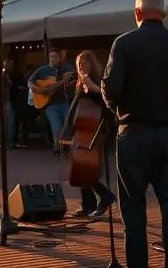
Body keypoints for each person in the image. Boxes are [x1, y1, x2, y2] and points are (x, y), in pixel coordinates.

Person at [103, 0, 168, 268]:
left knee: (134, 210)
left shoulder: (124, 44)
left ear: (137, 13)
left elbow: (112, 90)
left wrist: (115, 106)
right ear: (164, 13)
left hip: (134, 135)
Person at [62, 50, 116, 218]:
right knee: (80, 168)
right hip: (80, 130)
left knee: (85, 170)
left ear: (92, 64)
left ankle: (106, 197)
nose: (81, 67)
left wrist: (89, 83)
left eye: (85, 63)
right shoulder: (80, 83)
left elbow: (105, 99)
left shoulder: (97, 82)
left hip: (94, 132)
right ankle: (87, 205)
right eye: (79, 64)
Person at [30, 48, 76, 153]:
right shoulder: (43, 70)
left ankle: (67, 148)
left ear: (59, 58)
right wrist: (39, 89)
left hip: (63, 102)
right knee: (57, 128)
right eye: (51, 56)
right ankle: (59, 147)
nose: (52, 59)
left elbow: (71, 77)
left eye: (55, 57)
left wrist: (67, 80)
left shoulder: (65, 68)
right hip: (50, 104)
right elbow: (30, 81)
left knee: (67, 126)